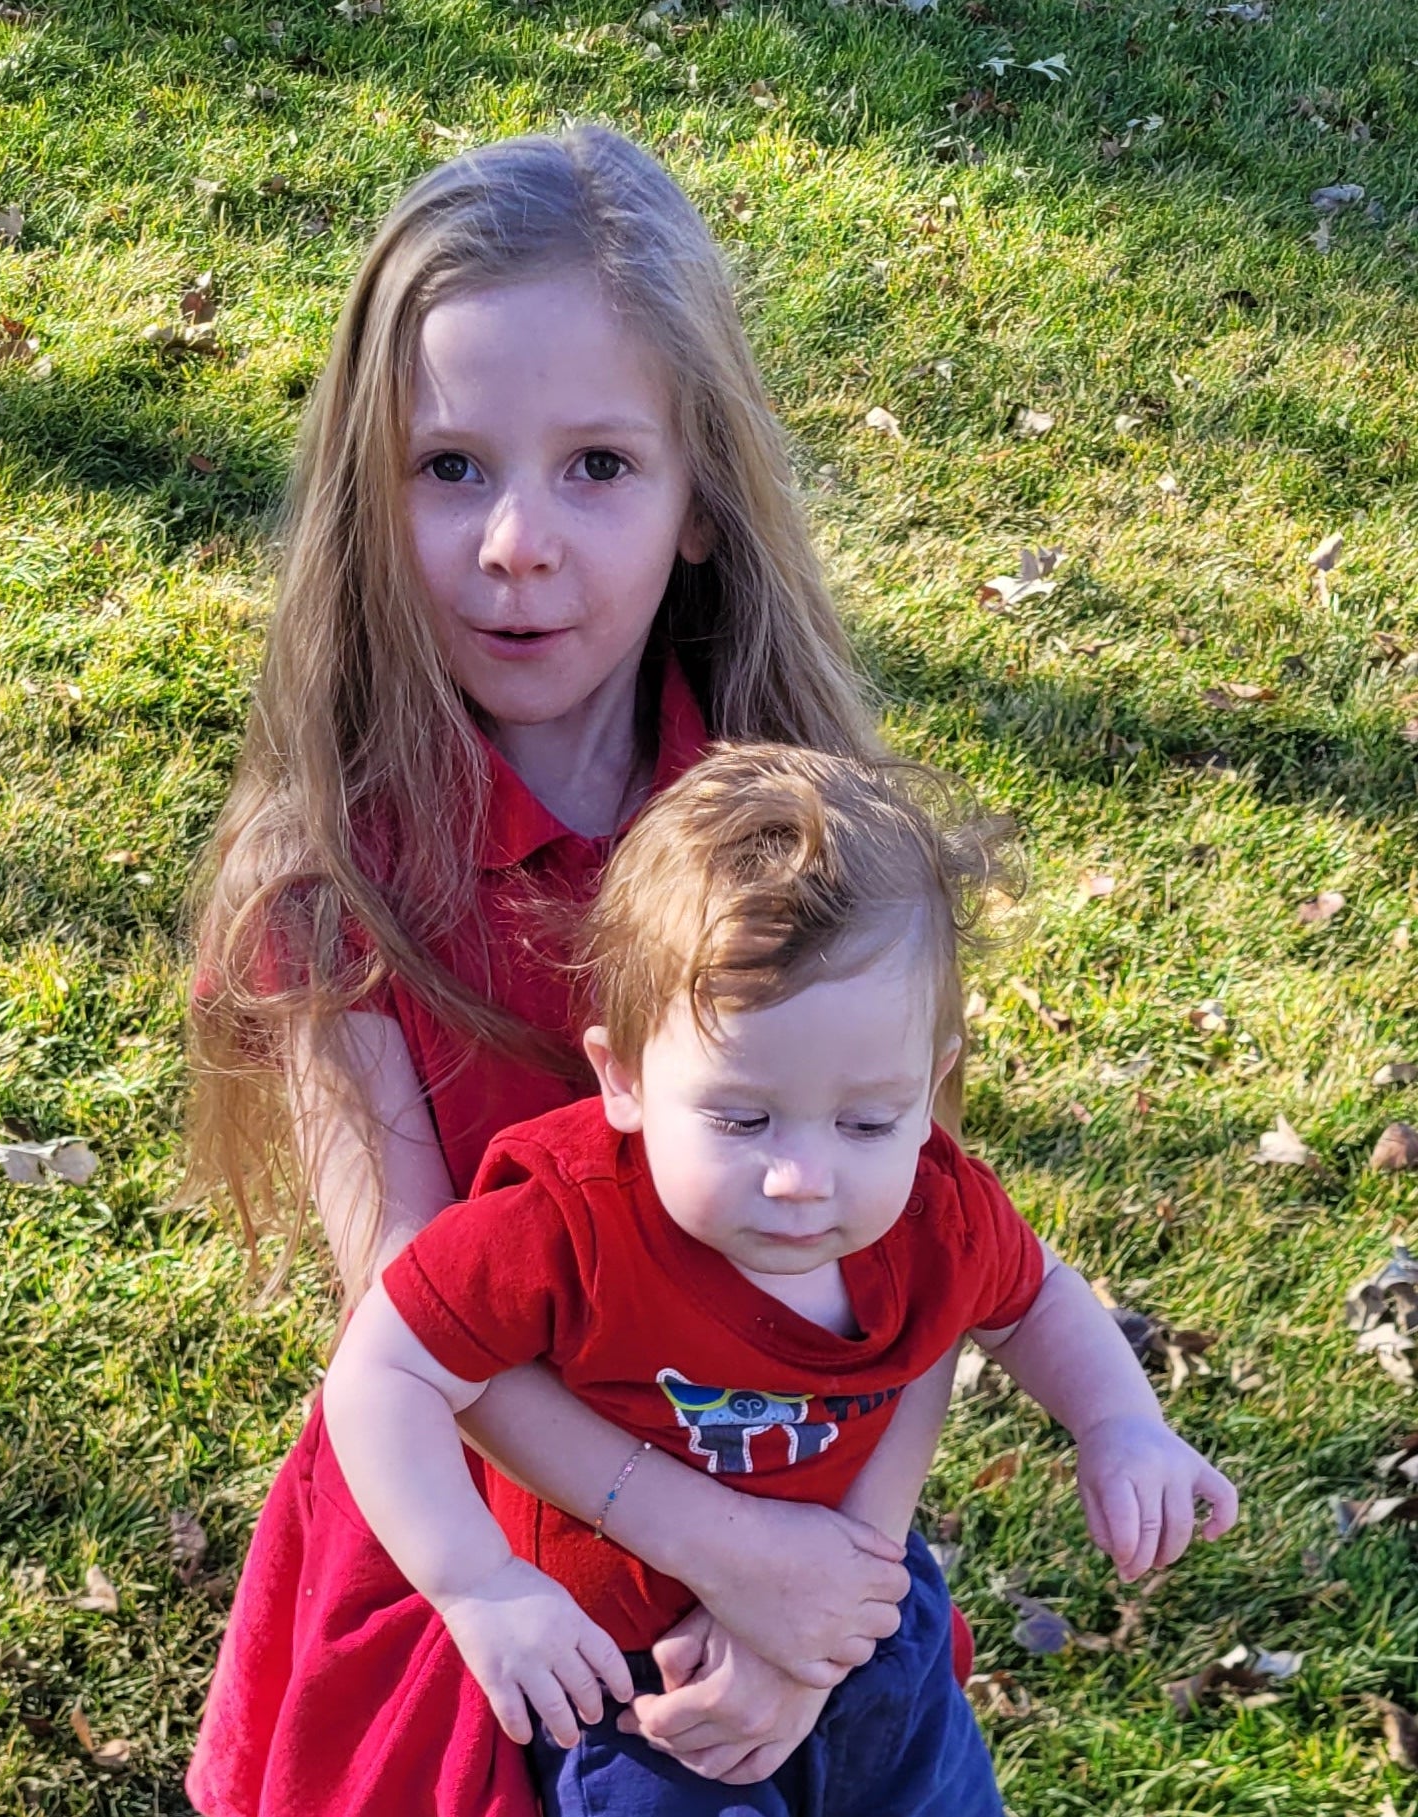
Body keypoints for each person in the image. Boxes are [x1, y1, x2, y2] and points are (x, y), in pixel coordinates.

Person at [185, 124, 956, 1816]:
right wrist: (719, 1546)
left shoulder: (807, 851)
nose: (517, 540)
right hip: (481, 1565)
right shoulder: (336, 887)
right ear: (366, 497)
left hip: (794, 1534)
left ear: (701, 504)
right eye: (449, 466)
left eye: (598, 465)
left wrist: (827, 1589)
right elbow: (409, 1314)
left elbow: (924, 1249)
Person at [322, 744, 1240, 1815]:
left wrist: (1119, 1421)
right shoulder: (568, 1222)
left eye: (867, 1119)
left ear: (931, 1080)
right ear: (624, 1076)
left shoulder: (934, 1209)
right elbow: (382, 1370)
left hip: (871, 1629)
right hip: (648, 1698)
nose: (803, 1177)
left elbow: (1033, 1297)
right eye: (742, 1117)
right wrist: (478, 1584)